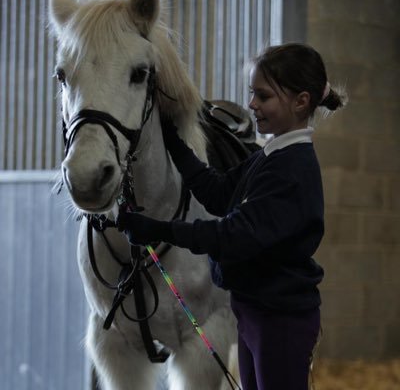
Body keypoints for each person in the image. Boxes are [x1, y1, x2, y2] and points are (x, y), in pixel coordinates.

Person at [117, 43, 347, 390]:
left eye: (264, 96)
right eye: (253, 94)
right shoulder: (271, 154)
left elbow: (232, 234)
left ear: (301, 101)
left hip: (280, 320)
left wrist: (159, 229)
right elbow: (219, 193)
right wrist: (175, 143)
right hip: (255, 311)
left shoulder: (292, 169)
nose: (252, 104)